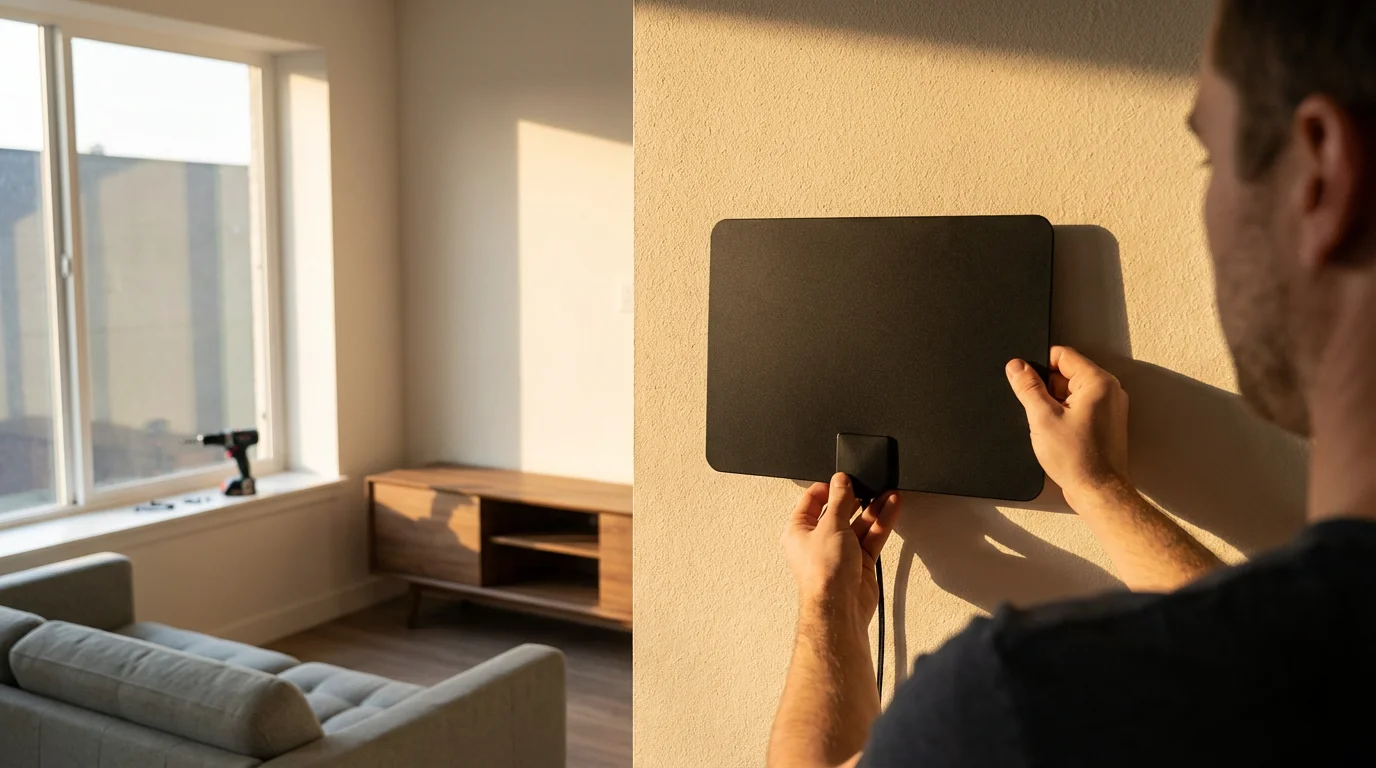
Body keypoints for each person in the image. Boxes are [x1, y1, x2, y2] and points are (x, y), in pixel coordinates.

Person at [769, 2, 1376, 766]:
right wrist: (1099, 487)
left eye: (1211, 159)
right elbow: (1273, 654)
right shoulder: (1312, 668)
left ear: (1320, 172)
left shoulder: (1021, 703)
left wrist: (826, 606)